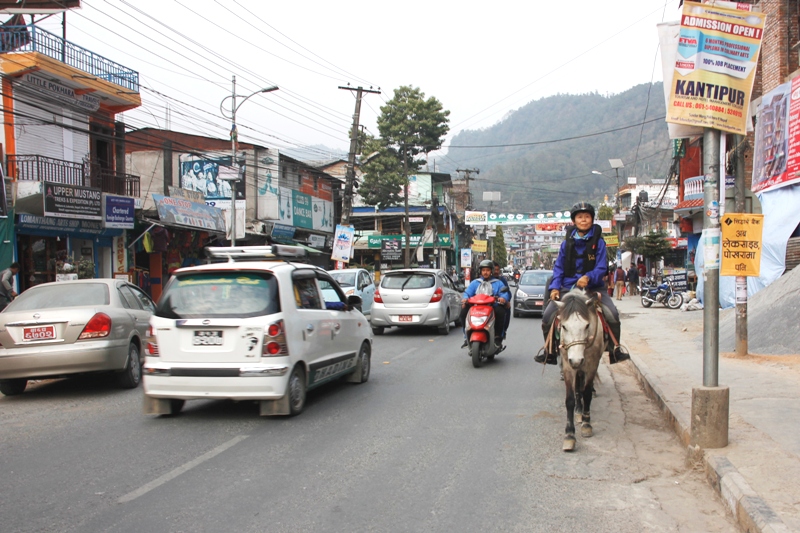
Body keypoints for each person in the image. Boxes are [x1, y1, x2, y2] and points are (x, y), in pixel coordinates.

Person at [535, 202, 629, 365]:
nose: (584, 220)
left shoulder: (599, 243)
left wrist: (589, 277)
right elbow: (558, 267)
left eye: (587, 217)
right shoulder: (566, 244)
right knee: (547, 317)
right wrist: (555, 287)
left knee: (612, 314)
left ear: (592, 220)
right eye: (580, 217)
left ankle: (615, 350)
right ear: (574, 220)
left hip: (593, 287)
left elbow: (602, 267)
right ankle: (549, 352)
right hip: (568, 287)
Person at [460, 260, 510, 348]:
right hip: (476, 308)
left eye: (487, 270)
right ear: (480, 271)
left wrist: (503, 298)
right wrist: (465, 299)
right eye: (483, 270)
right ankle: (466, 335)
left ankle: (498, 337)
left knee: (501, 311)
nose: (485, 272)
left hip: (492, 307)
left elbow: (504, 293)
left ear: (491, 271)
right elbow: (467, 293)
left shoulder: (498, 283)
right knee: (463, 312)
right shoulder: (475, 283)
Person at [493, 261, 512, 339]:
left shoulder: (501, 280)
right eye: (494, 270)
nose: (496, 272)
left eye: (498, 270)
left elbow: (507, 293)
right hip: (484, 305)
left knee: (506, 308)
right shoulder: (480, 281)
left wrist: (505, 300)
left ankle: (501, 332)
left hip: (497, 304)